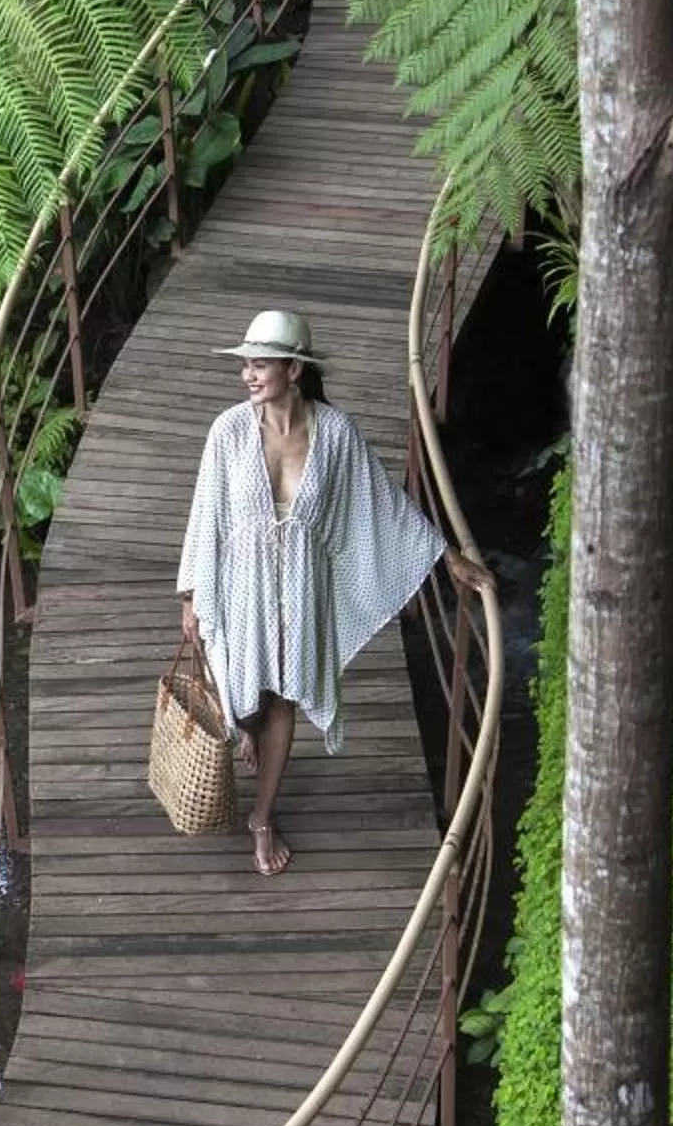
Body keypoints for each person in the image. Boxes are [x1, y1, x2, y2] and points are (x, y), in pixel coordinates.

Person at [175, 307, 483, 878]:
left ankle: (262, 817)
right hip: (241, 586)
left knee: (287, 695)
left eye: (260, 363)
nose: (248, 374)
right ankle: (251, 736)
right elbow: (205, 512)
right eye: (245, 363)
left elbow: (382, 502)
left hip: (302, 589)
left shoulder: (336, 434)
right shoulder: (228, 431)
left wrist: (447, 557)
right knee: (245, 695)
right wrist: (191, 594)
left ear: (295, 370)